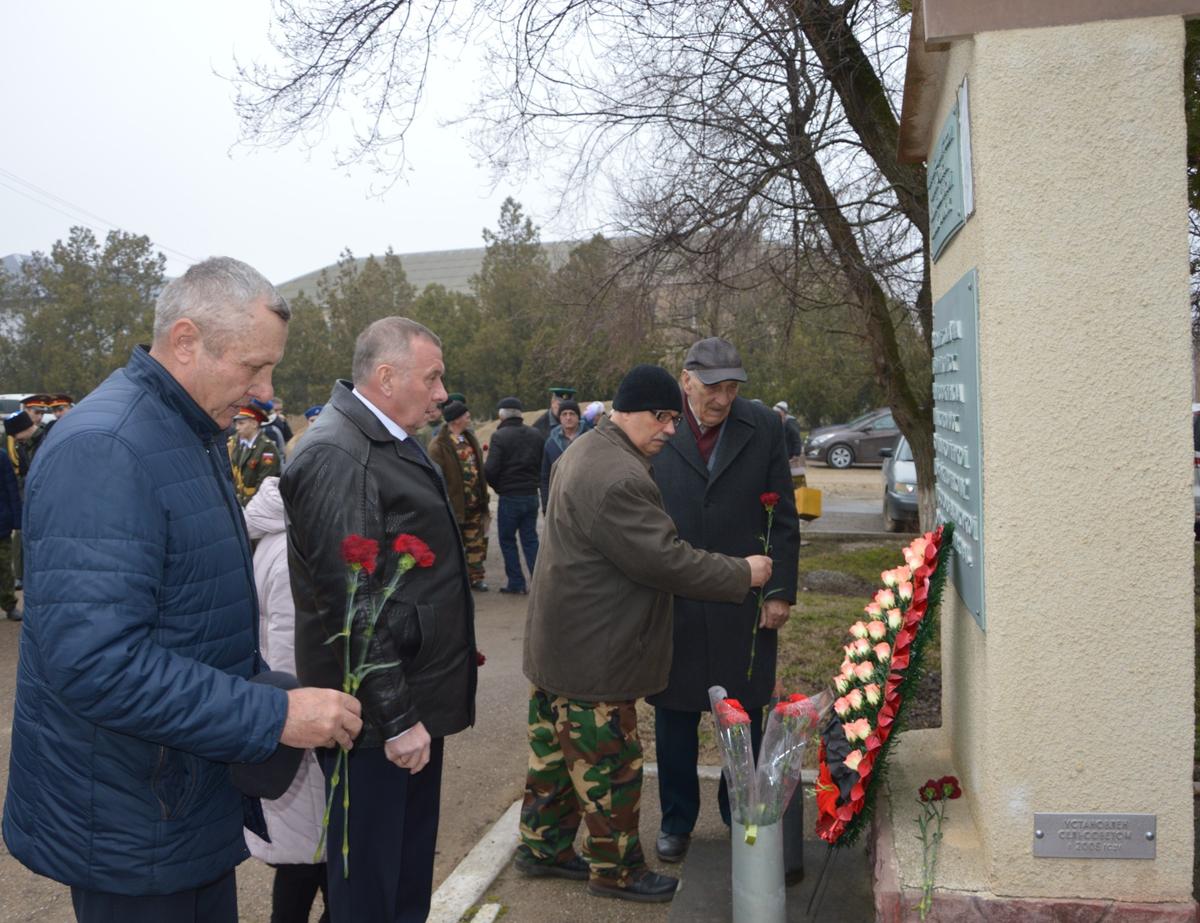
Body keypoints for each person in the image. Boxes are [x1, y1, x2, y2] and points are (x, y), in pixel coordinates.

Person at [2, 256, 363, 923]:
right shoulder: (108, 448)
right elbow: (97, 663)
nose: (265, 390)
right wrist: (272, 716)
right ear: (187, 340)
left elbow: (192, 620)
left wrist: (275, 688)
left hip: (177, 804)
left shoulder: (183, 432)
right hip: (130, 823)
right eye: (253, 366)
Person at [518, 364, 774, 903]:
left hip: (559, 645)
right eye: (662, 418)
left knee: (555, 759)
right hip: (595, 654)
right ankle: (617, 872)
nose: (670, 429)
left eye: (673, 419)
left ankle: (543, 847)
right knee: (610, 766)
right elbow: (667, 561)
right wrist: (743, 573)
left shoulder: (585, 451)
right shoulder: (618, 477)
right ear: (629, 410)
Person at [282, 316, 477, 923]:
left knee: (404, 874)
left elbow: (404, 577)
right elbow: (351, 601)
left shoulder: (383, 437)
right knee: (370, 883)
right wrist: (395, 721)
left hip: (406, 698)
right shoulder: (339, 453)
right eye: (433, 377)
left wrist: (446, 636)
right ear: (387, 377)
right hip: (375, 722)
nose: (443, 393)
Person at [648, 337, 800, 865]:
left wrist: (779, 593)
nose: (723, 398)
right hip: (676, 597)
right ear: (686, 379)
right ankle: (676, 822)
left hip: (744, 600)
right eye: (713, 387)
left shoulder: (763, 427)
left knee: (742, 717)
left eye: (732, 387)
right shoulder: (656, 427)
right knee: (673, 718)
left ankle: (739, 812)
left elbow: (782, 516)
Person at [243, 476, 330, 923]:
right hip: (305, 724)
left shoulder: (283, 536)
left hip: (297, 718)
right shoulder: (291, 553)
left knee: (309, 859)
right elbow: (286, 651)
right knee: (314, 857)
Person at [428, 399, 491, 591]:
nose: (469, 417)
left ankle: (476, 577)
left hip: (475, 504)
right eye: (466, 415)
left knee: (477, 543)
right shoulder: (439, 446)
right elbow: (436, 478)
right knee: (454, 545)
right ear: (456, 420)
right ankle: (454, 581)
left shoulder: (470, 439)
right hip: (455, 506)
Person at [484, 396, 543, 594]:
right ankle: (539, 581)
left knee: (507, 540)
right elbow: (541, 464)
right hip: (530, 495)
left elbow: (490, 470)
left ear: (501, 415)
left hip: (509, 495)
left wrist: (499, 487)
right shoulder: (536, 434)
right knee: (530, 539)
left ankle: (516, 583)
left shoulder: (499, 437)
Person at [229, 404, 282, 505]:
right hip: (240, 501)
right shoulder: (237, 443)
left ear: (254, 424)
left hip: (257, 504)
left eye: (241, 423)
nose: (237, 428)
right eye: (236, 424)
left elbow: (264, 483)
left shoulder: (266, 448)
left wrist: (247, 504)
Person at [538, 398, 582, 513]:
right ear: (559, 418)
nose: (568, 417)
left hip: (586, 501)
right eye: (564, 414)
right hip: (559, 503)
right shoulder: (551, 443)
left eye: (572, 413)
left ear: (578, 417)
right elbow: (545, 477)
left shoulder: (591, 438)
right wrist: (546, 505)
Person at [0, 421, 21, 621]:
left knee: (5, 568)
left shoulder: (2, 457)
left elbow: (11, 489)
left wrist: (16, 518)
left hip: (1, 525)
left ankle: (8, 604)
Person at [774, 400, 804, 471]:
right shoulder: (781, 421)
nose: (776, 414)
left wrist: (796, 454)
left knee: (796, 476)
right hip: (786, 455)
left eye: (777, 412)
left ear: (783, 412)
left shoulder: (790, 422)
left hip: (792, 456)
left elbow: (796, 438)